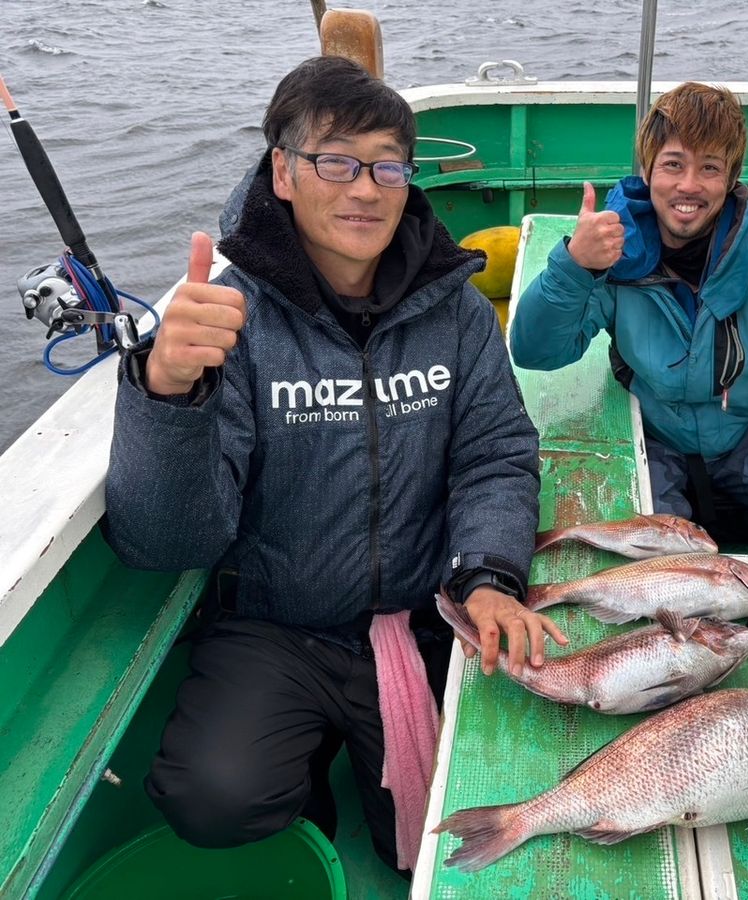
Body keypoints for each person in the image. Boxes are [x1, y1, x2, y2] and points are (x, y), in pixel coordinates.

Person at [103, 56, 565, 875]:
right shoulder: (230, 320)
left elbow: (496, 453)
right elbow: (166, 540)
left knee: (434, 846)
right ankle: (305, 791)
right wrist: (166, 392)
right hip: (279, 623)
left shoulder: (455, 308)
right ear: (282, 173)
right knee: (214, 795)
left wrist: (490, 576)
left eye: (388, 165)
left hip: (426, 613)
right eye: (336, 161)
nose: (366, 189)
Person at [510, 82, 748, 558]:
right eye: (673, 165)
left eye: (710, 168)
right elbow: (534, 352)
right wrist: (574, 267)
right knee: (654, 551)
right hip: (652, 434)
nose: (688, 185)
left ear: (731, 178)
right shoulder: (611, 248)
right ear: (647, 171)